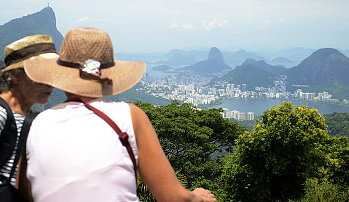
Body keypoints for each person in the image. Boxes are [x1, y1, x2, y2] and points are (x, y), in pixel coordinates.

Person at [23, 27, 217, 202]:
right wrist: (197, 197)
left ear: (61, 74)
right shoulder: (129, 116)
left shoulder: (36, 124)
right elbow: (174, 198)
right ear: (108, 74)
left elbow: (26, 192)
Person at [0, 35, 58, 188]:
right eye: (40, 73)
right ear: (15, 75)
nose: (50, 83)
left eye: (52, 73)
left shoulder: (25, 115)